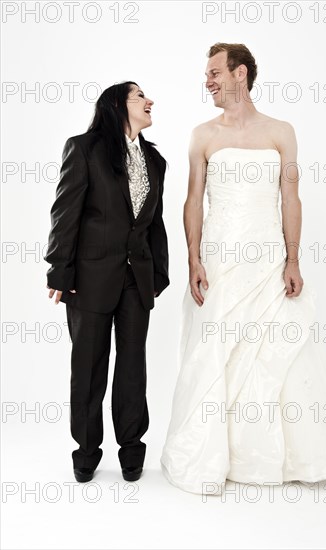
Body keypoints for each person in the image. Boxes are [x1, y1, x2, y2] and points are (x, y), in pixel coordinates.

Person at [160, 43, 326, 494]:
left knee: (276, 349)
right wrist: (193, 258)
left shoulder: (281, 131)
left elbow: (290, 198)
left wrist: (293, 258)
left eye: (214, 73)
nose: (207, 81)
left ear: (240, 73)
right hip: (221, 259)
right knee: (216, 351)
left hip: (268, 259)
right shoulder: (202, 135)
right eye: (206, 75)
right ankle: (214, 453)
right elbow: (193, 201)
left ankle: (276, 455)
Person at [45, 81, 169, 483]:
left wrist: (159, 274)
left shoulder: (155, 160)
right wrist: (59, 270)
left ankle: (132, 450)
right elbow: (66, 212)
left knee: (133, 368)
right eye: (139, 96)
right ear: (117, 105)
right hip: (89, 279)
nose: (149, 101)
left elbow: (155, 223)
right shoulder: (84, 148)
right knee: (88, 368)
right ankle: (85, 451)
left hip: (137, 280)